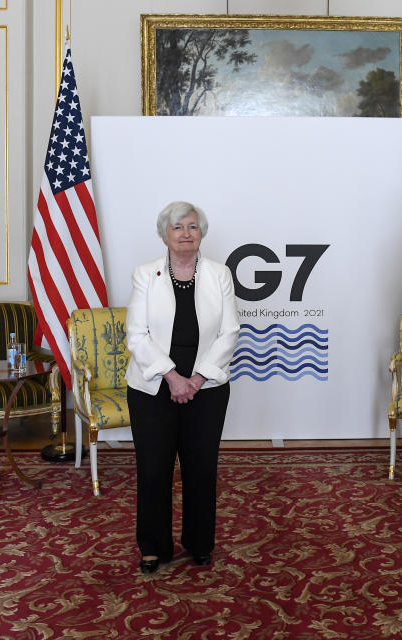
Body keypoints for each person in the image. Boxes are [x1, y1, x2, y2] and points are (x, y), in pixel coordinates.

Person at [125, 201, 240, 574]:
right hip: (153, 389)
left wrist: (198, 378)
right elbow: (137, 335)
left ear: (201, 233)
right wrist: (173, 377)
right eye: (178, 227)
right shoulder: (145, 274)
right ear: (164, 234)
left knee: (201, 469)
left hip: (205, 389)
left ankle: (200, 543)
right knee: (154, 470)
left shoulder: (220, 274)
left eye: (193, 226)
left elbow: (230, 332)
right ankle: (153, 547)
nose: (186, 233)